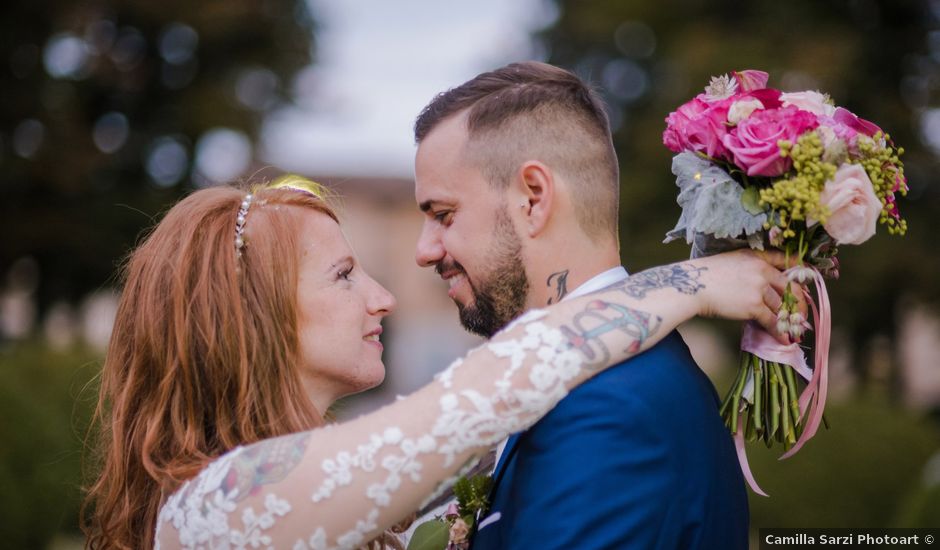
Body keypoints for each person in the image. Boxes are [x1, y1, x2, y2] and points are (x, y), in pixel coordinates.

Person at [83, 176, 789, 547]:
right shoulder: (218, 509)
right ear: (247, 320)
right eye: (342, 276)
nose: (384, 297)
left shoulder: (312, 484)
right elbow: (483, 396)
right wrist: (687, 285)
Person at [412, 61, 768, 549]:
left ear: (534, 198)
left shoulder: (611, 407)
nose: (424, 250)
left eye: (443, 215)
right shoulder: (583, 382)